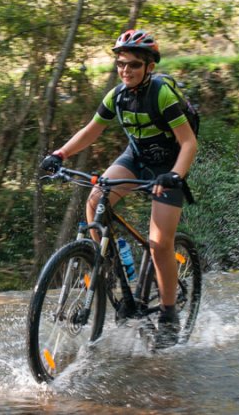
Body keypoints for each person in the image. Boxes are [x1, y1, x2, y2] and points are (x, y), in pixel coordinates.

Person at [40, 28, 197, 348]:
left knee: (158, 243)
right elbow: (91, 130)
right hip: (136, 158)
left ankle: (169, 313)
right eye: (121, 64)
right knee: (96, 197)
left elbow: (188, 143)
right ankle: (105, 267)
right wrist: (60, 154)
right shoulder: (117, 95)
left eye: (134, 65)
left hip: (168, 166)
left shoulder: (162, 94)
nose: (125, 70)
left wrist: (175, 176)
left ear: (149, 66)